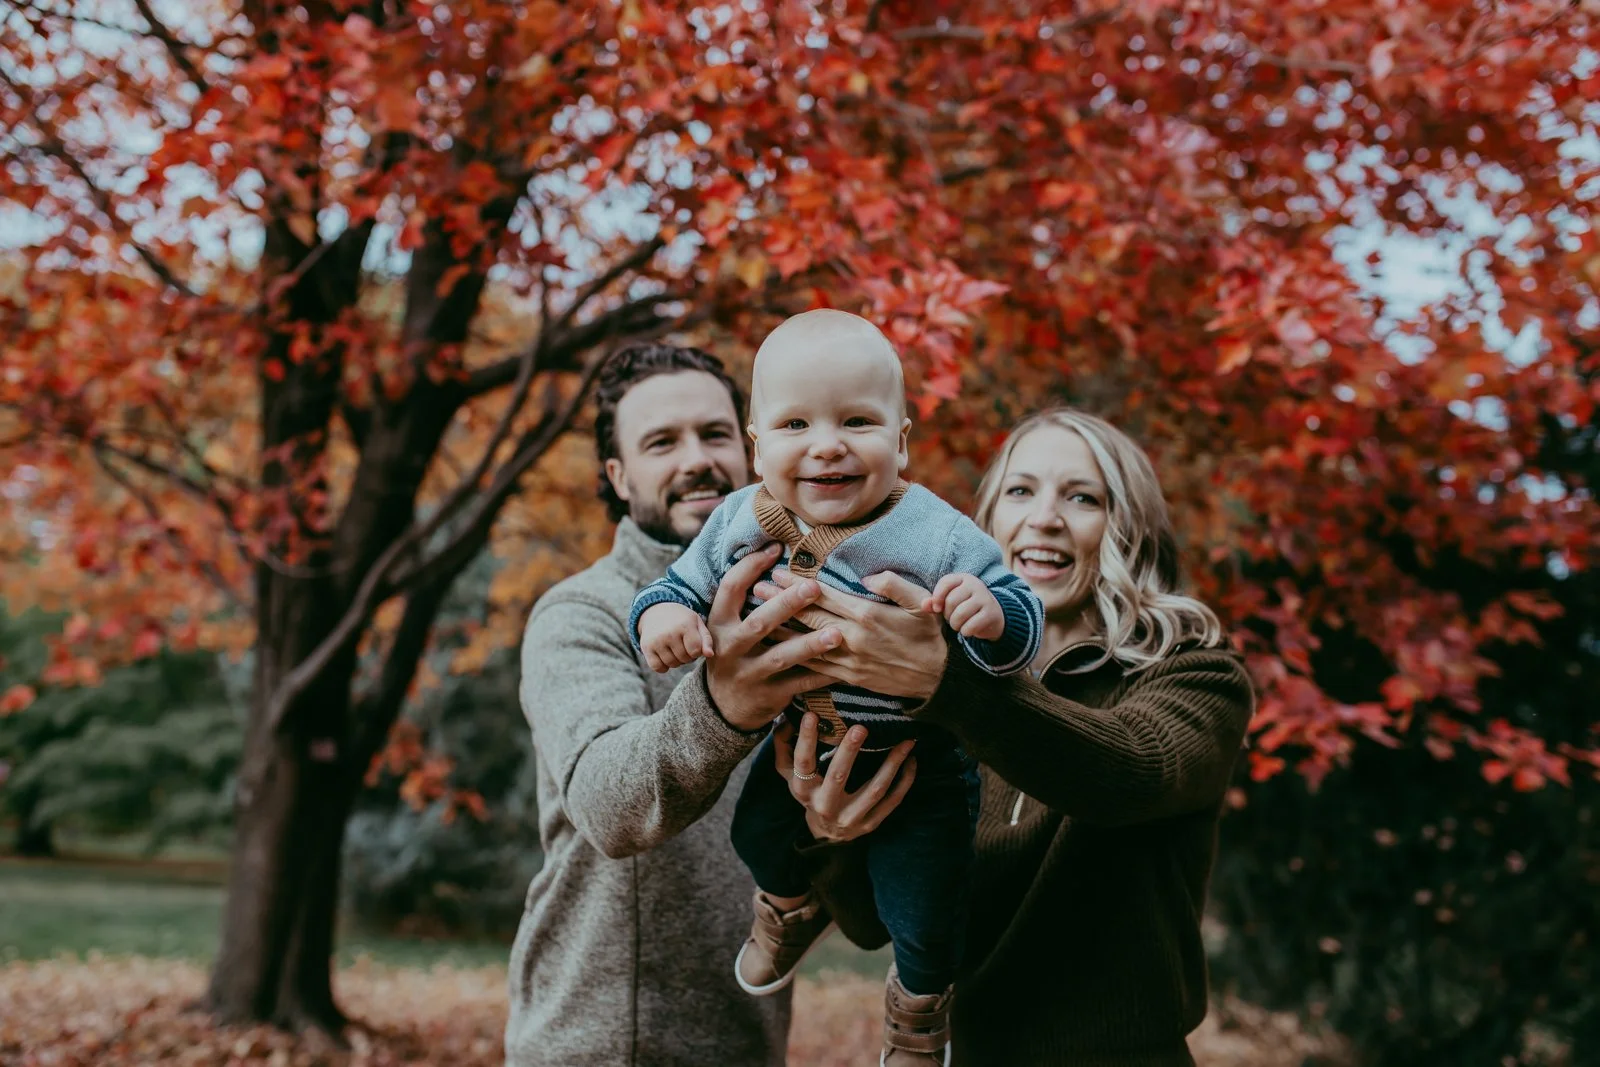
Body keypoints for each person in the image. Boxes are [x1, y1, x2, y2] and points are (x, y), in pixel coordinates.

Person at [760, 408, 1255, 1066]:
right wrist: (835, 835)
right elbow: (873, 924)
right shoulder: (929, 693)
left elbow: (1132, 770)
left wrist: (951, 686)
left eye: (1083, 497)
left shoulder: (1199, 676)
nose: (1044, 517)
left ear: (1127, 526)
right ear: (982, 525)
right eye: (1020, 491)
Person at [628, 310, 1044, 1066]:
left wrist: (990, 615)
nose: (827, 444)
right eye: (795, 423)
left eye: (858, 420)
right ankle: (787, 908)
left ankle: (919, 1007)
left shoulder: (934, 532)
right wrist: (662, 618)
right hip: (800, 740)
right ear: (758, 447)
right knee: (754, 833)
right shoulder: (741, 520)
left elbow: (1021, 610)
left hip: (920, 761)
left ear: (902, 439)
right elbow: (674, 587)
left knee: (922, 906)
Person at [504, 342, 885, 1067]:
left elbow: (858, 913)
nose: (696, 461)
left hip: (748, 1046)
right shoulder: (581, 614)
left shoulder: (811, 608)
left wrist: (833, 838)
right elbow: (609, 808)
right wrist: (726, 702)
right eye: (661, 442)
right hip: (598, 1050)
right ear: (618, 476)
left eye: (714, 434)